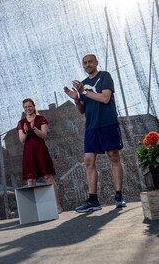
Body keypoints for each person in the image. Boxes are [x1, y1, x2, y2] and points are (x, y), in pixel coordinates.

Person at [63, 54, 126, 213]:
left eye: (90, 61)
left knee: (113, 156)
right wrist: (76, 99)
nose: (88, 64)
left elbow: (105, 98)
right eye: (85, 63)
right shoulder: (82, 85)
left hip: (108, 123)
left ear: (96, 62)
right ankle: (93, 200)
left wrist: (84, 92)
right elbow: (81, 110)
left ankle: (118, 196)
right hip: (91, 127)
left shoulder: (105, 76)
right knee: (88, 161)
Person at [17, 98, 62, 212]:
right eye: (26, 107)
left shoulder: (41, 118)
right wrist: (26, 132)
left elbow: (43, 135)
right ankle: (34, 210)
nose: (28, 109)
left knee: (48, 177)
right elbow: (22, 140)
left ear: (34, 106)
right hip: (29, 152)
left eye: (30, 106)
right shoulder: (21, 123)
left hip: (40, 150)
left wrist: (34, 128)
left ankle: (57, 206)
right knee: (30, 180)